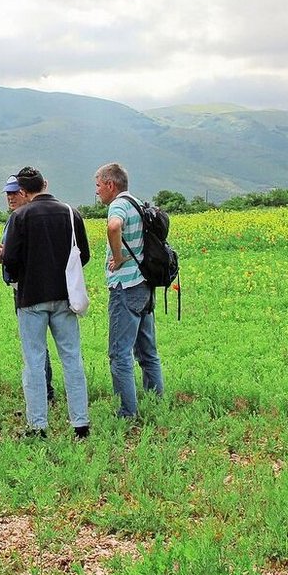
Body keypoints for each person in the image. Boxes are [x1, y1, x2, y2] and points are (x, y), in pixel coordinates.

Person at [1, 167, 91, 438]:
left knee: (34, 363)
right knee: (72, 359)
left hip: (31, 298)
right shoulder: (71, 213)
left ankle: (38, 425)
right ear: (45, 183)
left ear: (24, 191)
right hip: (65, 297)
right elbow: (83, 255)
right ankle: (80, 424)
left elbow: (11, 260)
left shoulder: (20, 216)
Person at [94, 162, 164, 418]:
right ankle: (157, 402)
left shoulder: (119, 205)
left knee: (119, 353)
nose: (98, 191)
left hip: (126, 287)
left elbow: (113, 226)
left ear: (110, 185)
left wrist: (118, 256)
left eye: (99, 186)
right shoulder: (138, 202)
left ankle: (127, 412)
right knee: (147, 351)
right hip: (145, 285)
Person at [0, 175, 55, 403]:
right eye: (8, 193)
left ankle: (44, 392)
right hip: (21, 284)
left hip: (30, 287)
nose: (10, 197)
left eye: (14, 192)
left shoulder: (26, 218)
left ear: (24, 192)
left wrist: (4, 256)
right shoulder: (15, 219)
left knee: (35, 343)